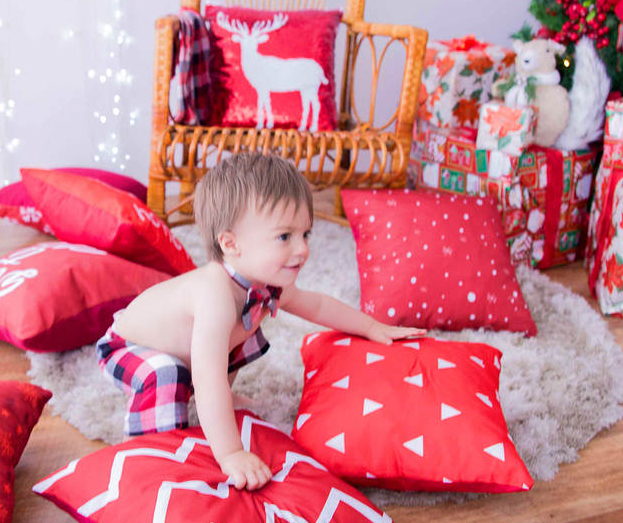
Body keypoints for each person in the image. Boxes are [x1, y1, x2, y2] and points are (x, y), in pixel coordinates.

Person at [97, 152, 425, 490]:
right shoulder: (215, 295)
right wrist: (231, 454)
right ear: (231, 244)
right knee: (168, 373)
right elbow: (208, 380)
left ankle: (207, 396)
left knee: (246, 329)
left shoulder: (266, 284)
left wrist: (372, 327)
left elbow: (319, 306)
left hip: (191, 351)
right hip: (127, 349)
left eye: (306, 234)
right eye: (285, 237)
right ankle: (149, 451)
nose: (302, 249)